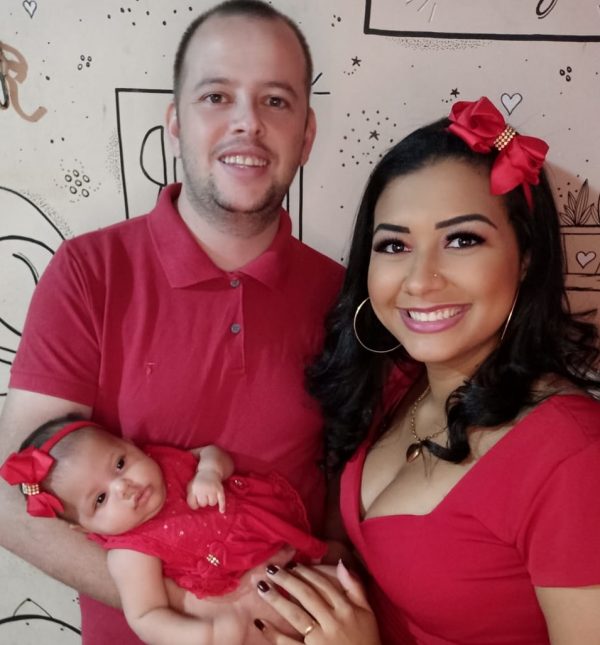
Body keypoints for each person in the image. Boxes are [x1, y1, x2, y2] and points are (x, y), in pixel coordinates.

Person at [0, 2, 343, 643]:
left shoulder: (345, 295)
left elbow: (360, 498)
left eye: (275, 100)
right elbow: (11, 506)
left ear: (306, 133)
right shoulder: (89, 271)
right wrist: (205, 613)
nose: (247, 122)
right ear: (175, 123)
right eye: (216, 96)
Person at [252, 97, 600, 644]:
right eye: (394, 244)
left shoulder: (574, 457)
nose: (419, 280)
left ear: (525, 257)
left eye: (462, 240)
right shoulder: (398, 387)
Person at [1, 416, 328, 644]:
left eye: (119, 464)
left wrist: (210, 472)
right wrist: (202, 636)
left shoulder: (164, 462)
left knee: (333, 576)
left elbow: (212, 453)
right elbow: (146, 615)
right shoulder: (129, 552)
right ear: (82, 528)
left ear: (129, 444)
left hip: (279, 542)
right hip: (249, 607)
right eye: (100, 499)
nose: (124, 487)